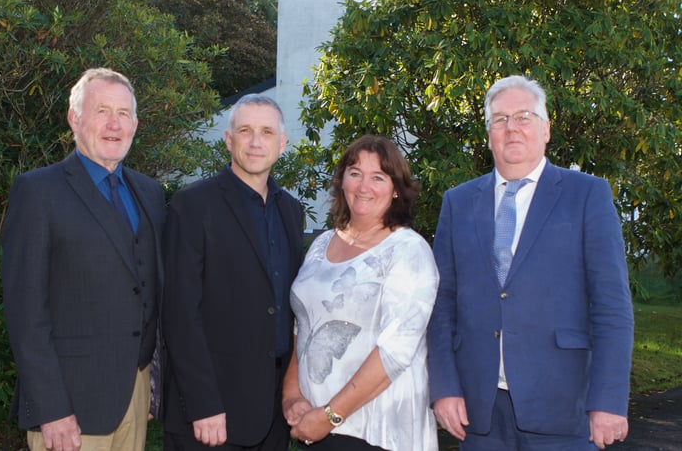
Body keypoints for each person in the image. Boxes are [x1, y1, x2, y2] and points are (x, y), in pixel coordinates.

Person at [428, 75, 634, 450]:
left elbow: (612, 307)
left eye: (524, 116)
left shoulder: (587, 195)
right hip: (478, 412)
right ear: (488, 133)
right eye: (500, 119)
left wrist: (607, 401)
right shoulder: (458, 203)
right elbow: (442, 304)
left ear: (546, 128)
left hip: (564, 410)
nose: (512, 129)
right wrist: (444, 388)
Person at [1, 68, 166, 451]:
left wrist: (149, 384)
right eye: (102, 111)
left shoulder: (150, 192)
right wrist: (51, 409)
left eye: (124, 113)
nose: (114, 123)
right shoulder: (38, 192)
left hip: (134, 396)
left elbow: (150, 290)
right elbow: (26, 314)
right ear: (74, 119)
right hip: (69, 407)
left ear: (136, 124)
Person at [161, 94, 304, 450]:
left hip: (273, 412)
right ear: (229, 139)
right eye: (246, 131)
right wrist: (203, 403)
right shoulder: (192, 206)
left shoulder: (291, 211)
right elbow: (179, 315)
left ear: (282, 143)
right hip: (211, 415)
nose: (256, 142)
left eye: (267, 132)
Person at [283, 135, 439, 451]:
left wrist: (329, 416)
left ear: (396, 189)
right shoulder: (320, 246)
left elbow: (394, 351)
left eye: (378, 177)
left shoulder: (409, 252)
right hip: (316, 425)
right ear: (342, 181)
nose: (364, 186)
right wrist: (291, 395)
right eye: (355, 173)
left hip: (376, 431)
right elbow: (304, 328)